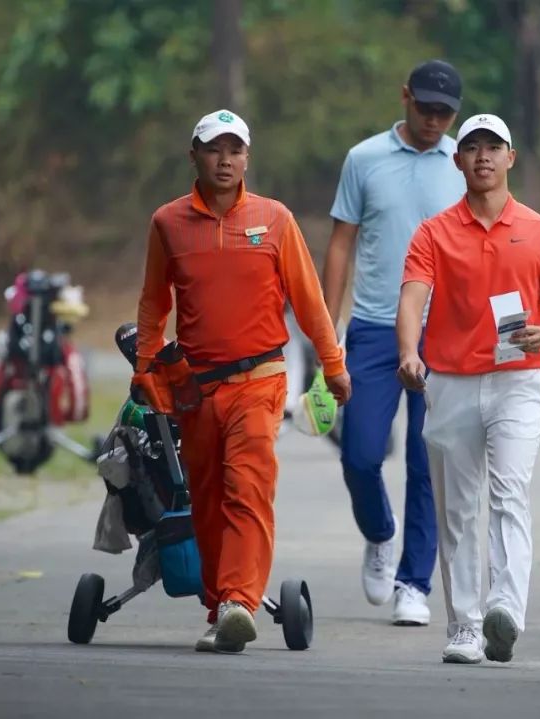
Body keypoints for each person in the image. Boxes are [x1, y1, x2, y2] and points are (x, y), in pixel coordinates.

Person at [135, 109, 351, 654]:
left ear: (247, 157)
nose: (225, 159)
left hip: (261, 379)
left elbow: (309, 300)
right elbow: (153, 304)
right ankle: (219, 610)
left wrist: (333, 365)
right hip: (195, 387)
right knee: (205, 499)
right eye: (214, 149)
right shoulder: (168, 222)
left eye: (235, 150)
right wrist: (144, 368)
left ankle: (239, 602)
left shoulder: (275, 219)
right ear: (194, 156)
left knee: (247, 488)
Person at [395, 113, 540, 664]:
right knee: (456, 509)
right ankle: (463, 627)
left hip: (518, 381)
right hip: (450, 382)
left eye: (493, 147)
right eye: (472, 147)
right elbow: (412, 297)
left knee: (509, 492)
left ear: (510, 158)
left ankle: (504, 608)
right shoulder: (434, 232)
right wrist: (409, 352)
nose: (482, 156)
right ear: (457, 160)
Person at [322, 59, 466, 625]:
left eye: (444, 112)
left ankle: (414, 583)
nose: (433, 120)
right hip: (376, 326)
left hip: (443, 331)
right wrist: (326, 327)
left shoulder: (464, 162)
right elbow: (341, 245)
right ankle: (380, 532)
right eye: (425, 107)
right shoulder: (364, 159)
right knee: (359, 453)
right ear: (405, 97)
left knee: (427, 461)